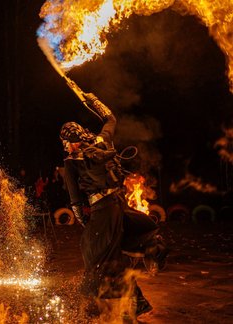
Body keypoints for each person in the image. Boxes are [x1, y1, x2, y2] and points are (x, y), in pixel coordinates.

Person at [60, 93, 160, 319]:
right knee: (117, 256)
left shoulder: (70, 161)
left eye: (67, 142)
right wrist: (93, 100)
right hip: (118, 205)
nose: (67, 146)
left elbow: (75, 200)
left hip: (104, 211)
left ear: (72, 140)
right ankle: (138, 303)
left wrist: (85, 221)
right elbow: (111, 119)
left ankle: (89, 308)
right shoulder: (101, 141)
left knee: (95, 257)